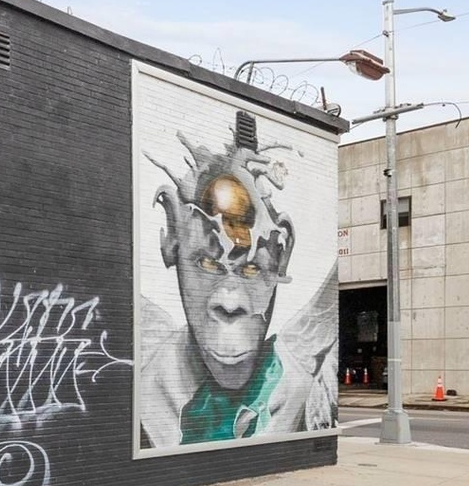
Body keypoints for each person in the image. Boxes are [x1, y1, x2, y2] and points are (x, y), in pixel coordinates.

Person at [140, 129, 336, 447]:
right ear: (173, 239)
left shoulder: (297, 381)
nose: (229, 303)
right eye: (206, 264)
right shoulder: (147, 378)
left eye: (251, 268)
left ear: (282, 252)